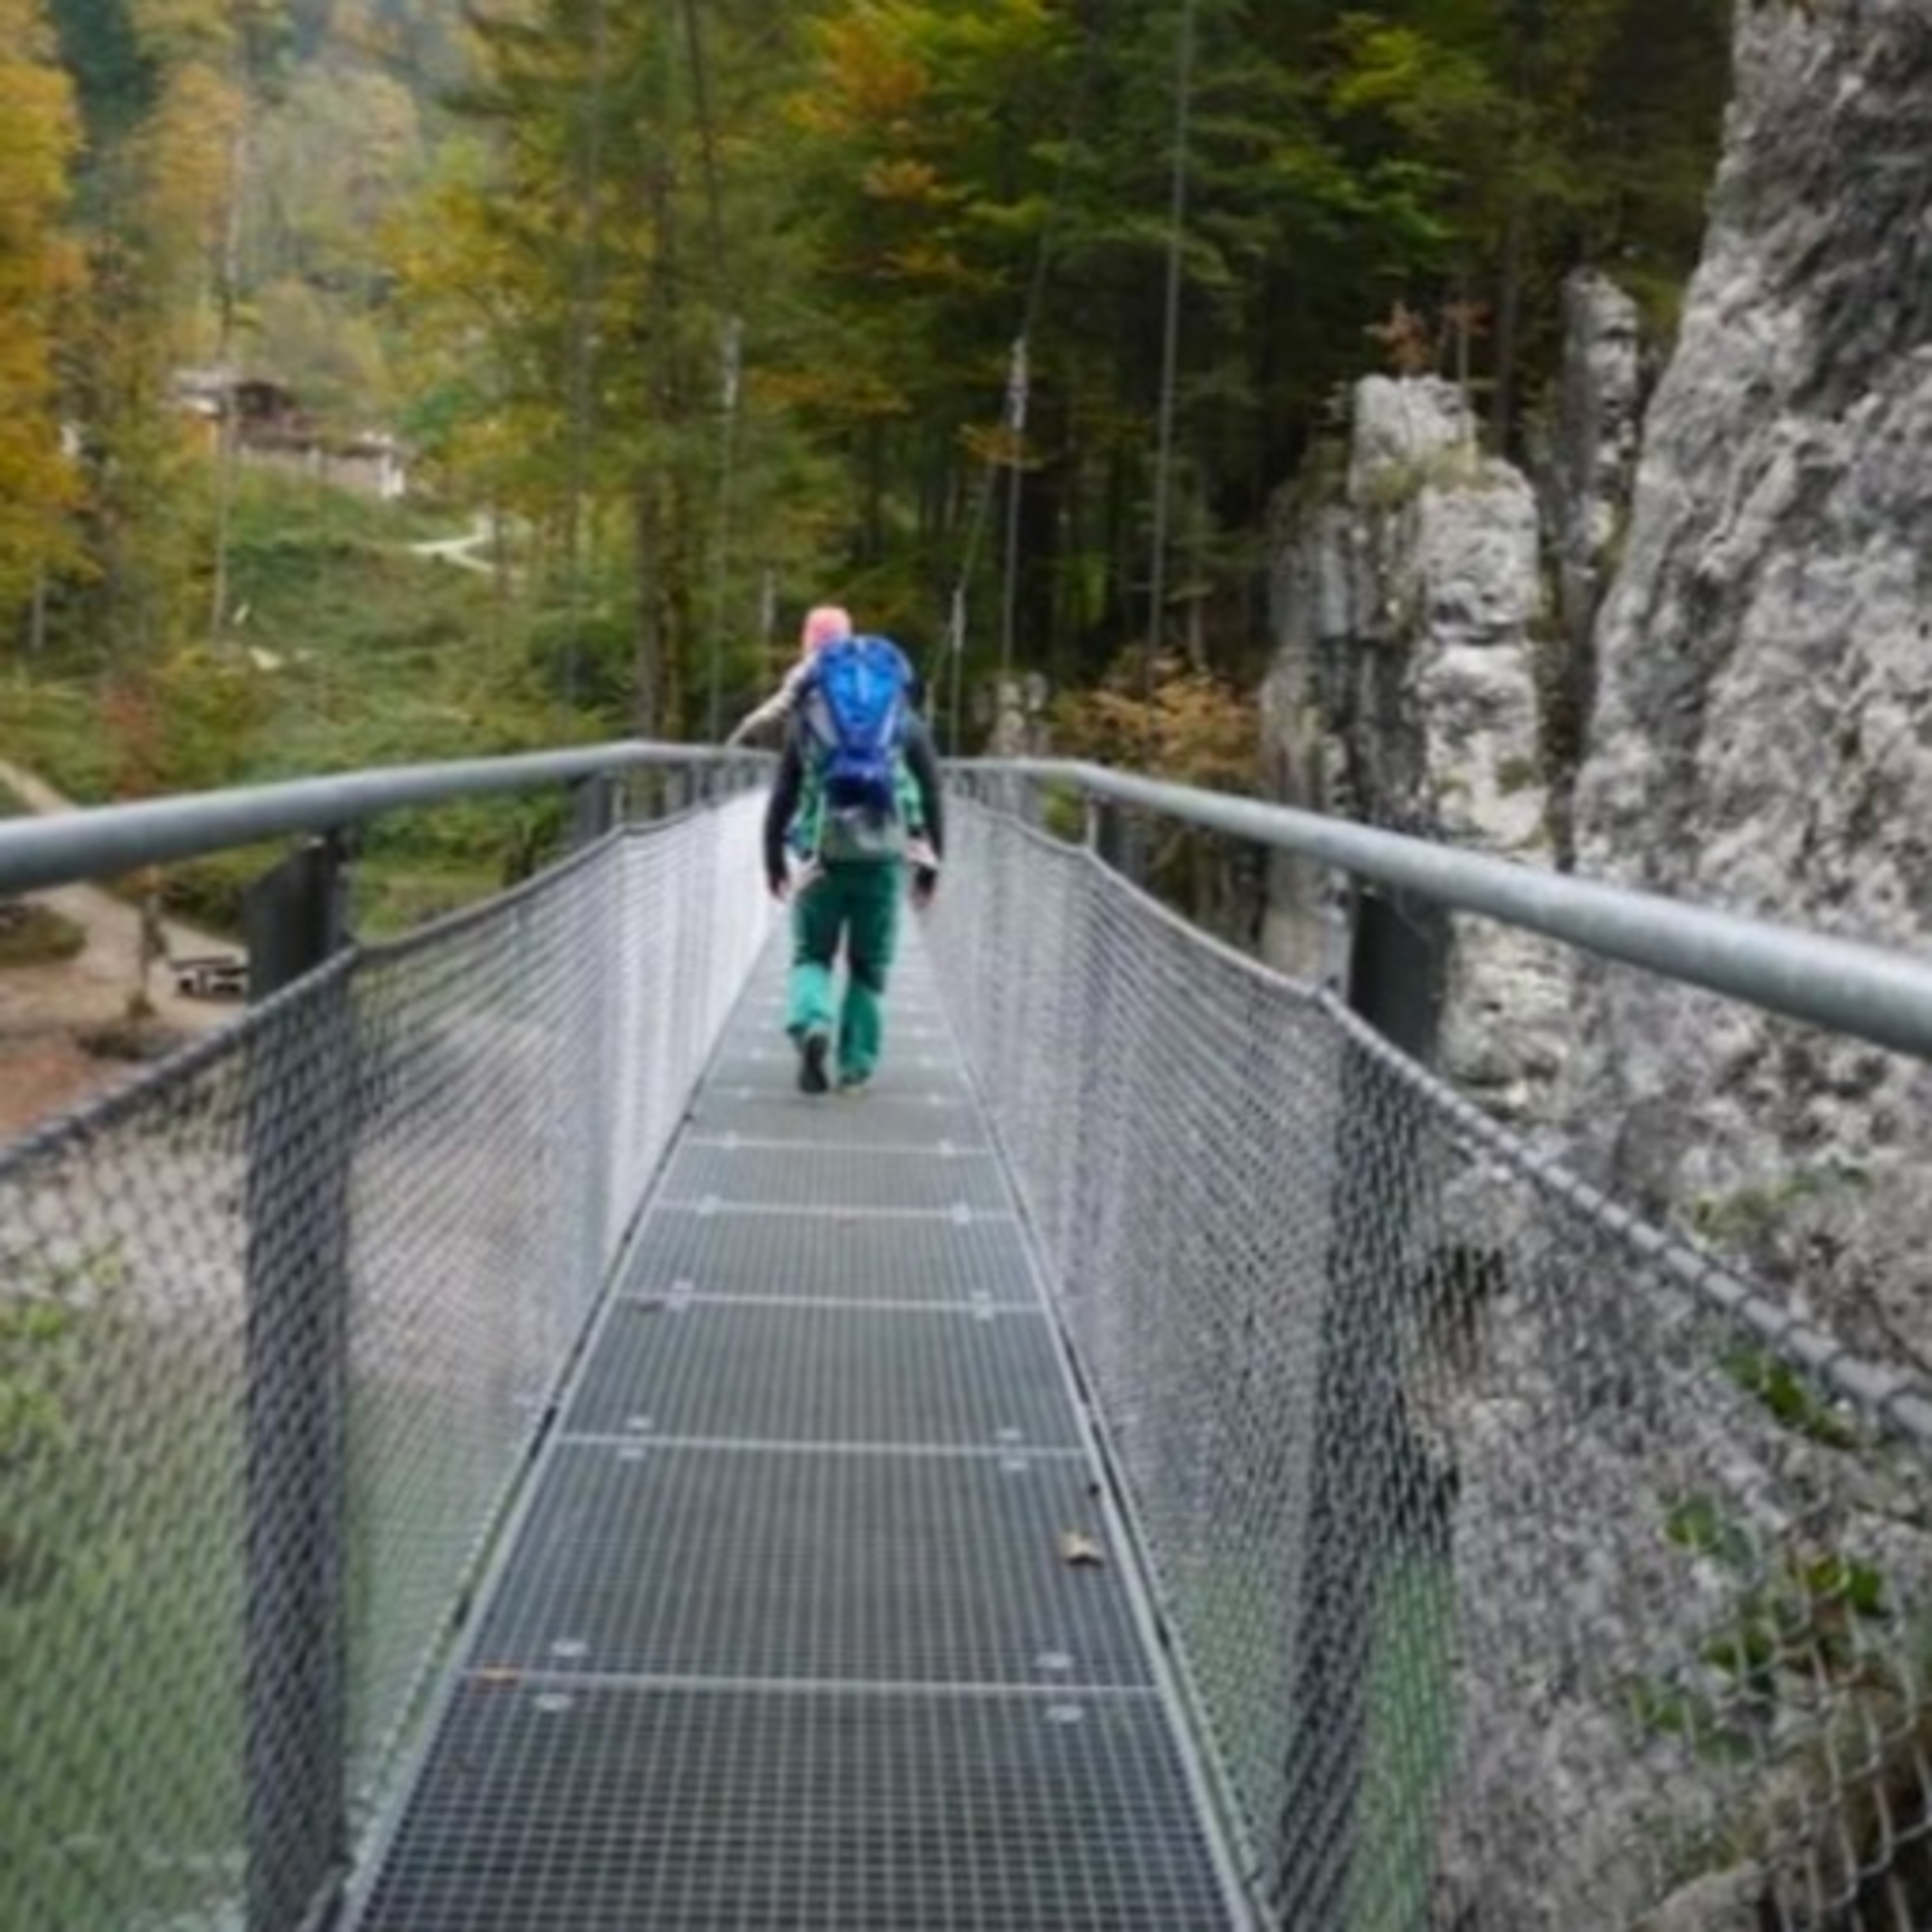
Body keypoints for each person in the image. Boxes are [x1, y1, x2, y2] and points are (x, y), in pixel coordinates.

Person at [762, 632, 943, 1095]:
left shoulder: (809, 719)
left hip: (821, 856)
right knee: (868, 968)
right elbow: (931, 793)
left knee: (812, 955)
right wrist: (930, 865)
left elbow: (784, 793)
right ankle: (855, 1070)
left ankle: (812, 1024)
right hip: (883, 860)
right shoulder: (904, 722)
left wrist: (773, 861)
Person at [725, 603, 851, 748]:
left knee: (797, 710)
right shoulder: (863, 672)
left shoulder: (811, 668)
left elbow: (775, 711)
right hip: (873, 762)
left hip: (825, 757)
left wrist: (740, 734)